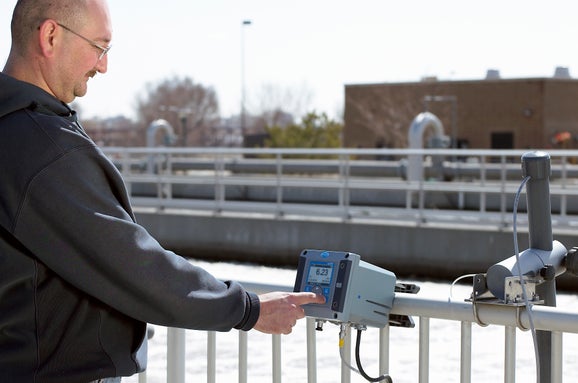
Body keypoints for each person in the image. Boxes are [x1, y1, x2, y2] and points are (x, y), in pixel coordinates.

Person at [0, 1, 324, 382]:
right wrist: (248, 310)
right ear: (51, 36)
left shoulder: (12, 130)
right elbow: (131, 262)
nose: (103, 65)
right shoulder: (42, 147)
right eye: (99, 47)